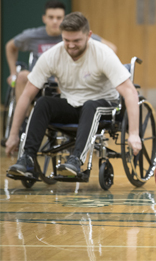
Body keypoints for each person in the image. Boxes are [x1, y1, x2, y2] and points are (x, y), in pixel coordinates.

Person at [6, 12, 141, 178]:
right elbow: (26, 95)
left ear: (89, 35)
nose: (70, 45)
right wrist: (13, 135)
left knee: (91, 105)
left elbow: (130, 92)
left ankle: (76, 160)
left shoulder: (103, 54)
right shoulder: (52, 56)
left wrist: (134, 134)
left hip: (103, 104)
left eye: (76, 41)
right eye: (66, 40)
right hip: (71, 104)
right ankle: (27, 158)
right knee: (43, 102)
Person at [5, 0, 117, 103]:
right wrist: (13, 73)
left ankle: (65, 115)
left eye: (59, 18)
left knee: (62, 78)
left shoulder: (74, 35)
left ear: (64, 19)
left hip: (66, 79)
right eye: (51, 17)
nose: (55, 21)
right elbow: (10, 46)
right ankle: (24, 121)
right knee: (22, 77)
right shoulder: (32, 36)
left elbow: (112, 48)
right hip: (39, 80)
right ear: (44, 18)